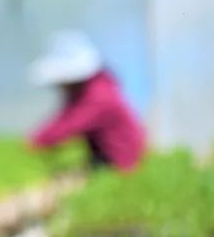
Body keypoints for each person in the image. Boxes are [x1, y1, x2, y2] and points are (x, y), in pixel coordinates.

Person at [28, 30, 146, 171]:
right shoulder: (90, 90)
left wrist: (36, 142)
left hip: (121, 164)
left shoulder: (98, 97)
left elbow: (66, 125)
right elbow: (65, 117)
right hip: (104, 159)